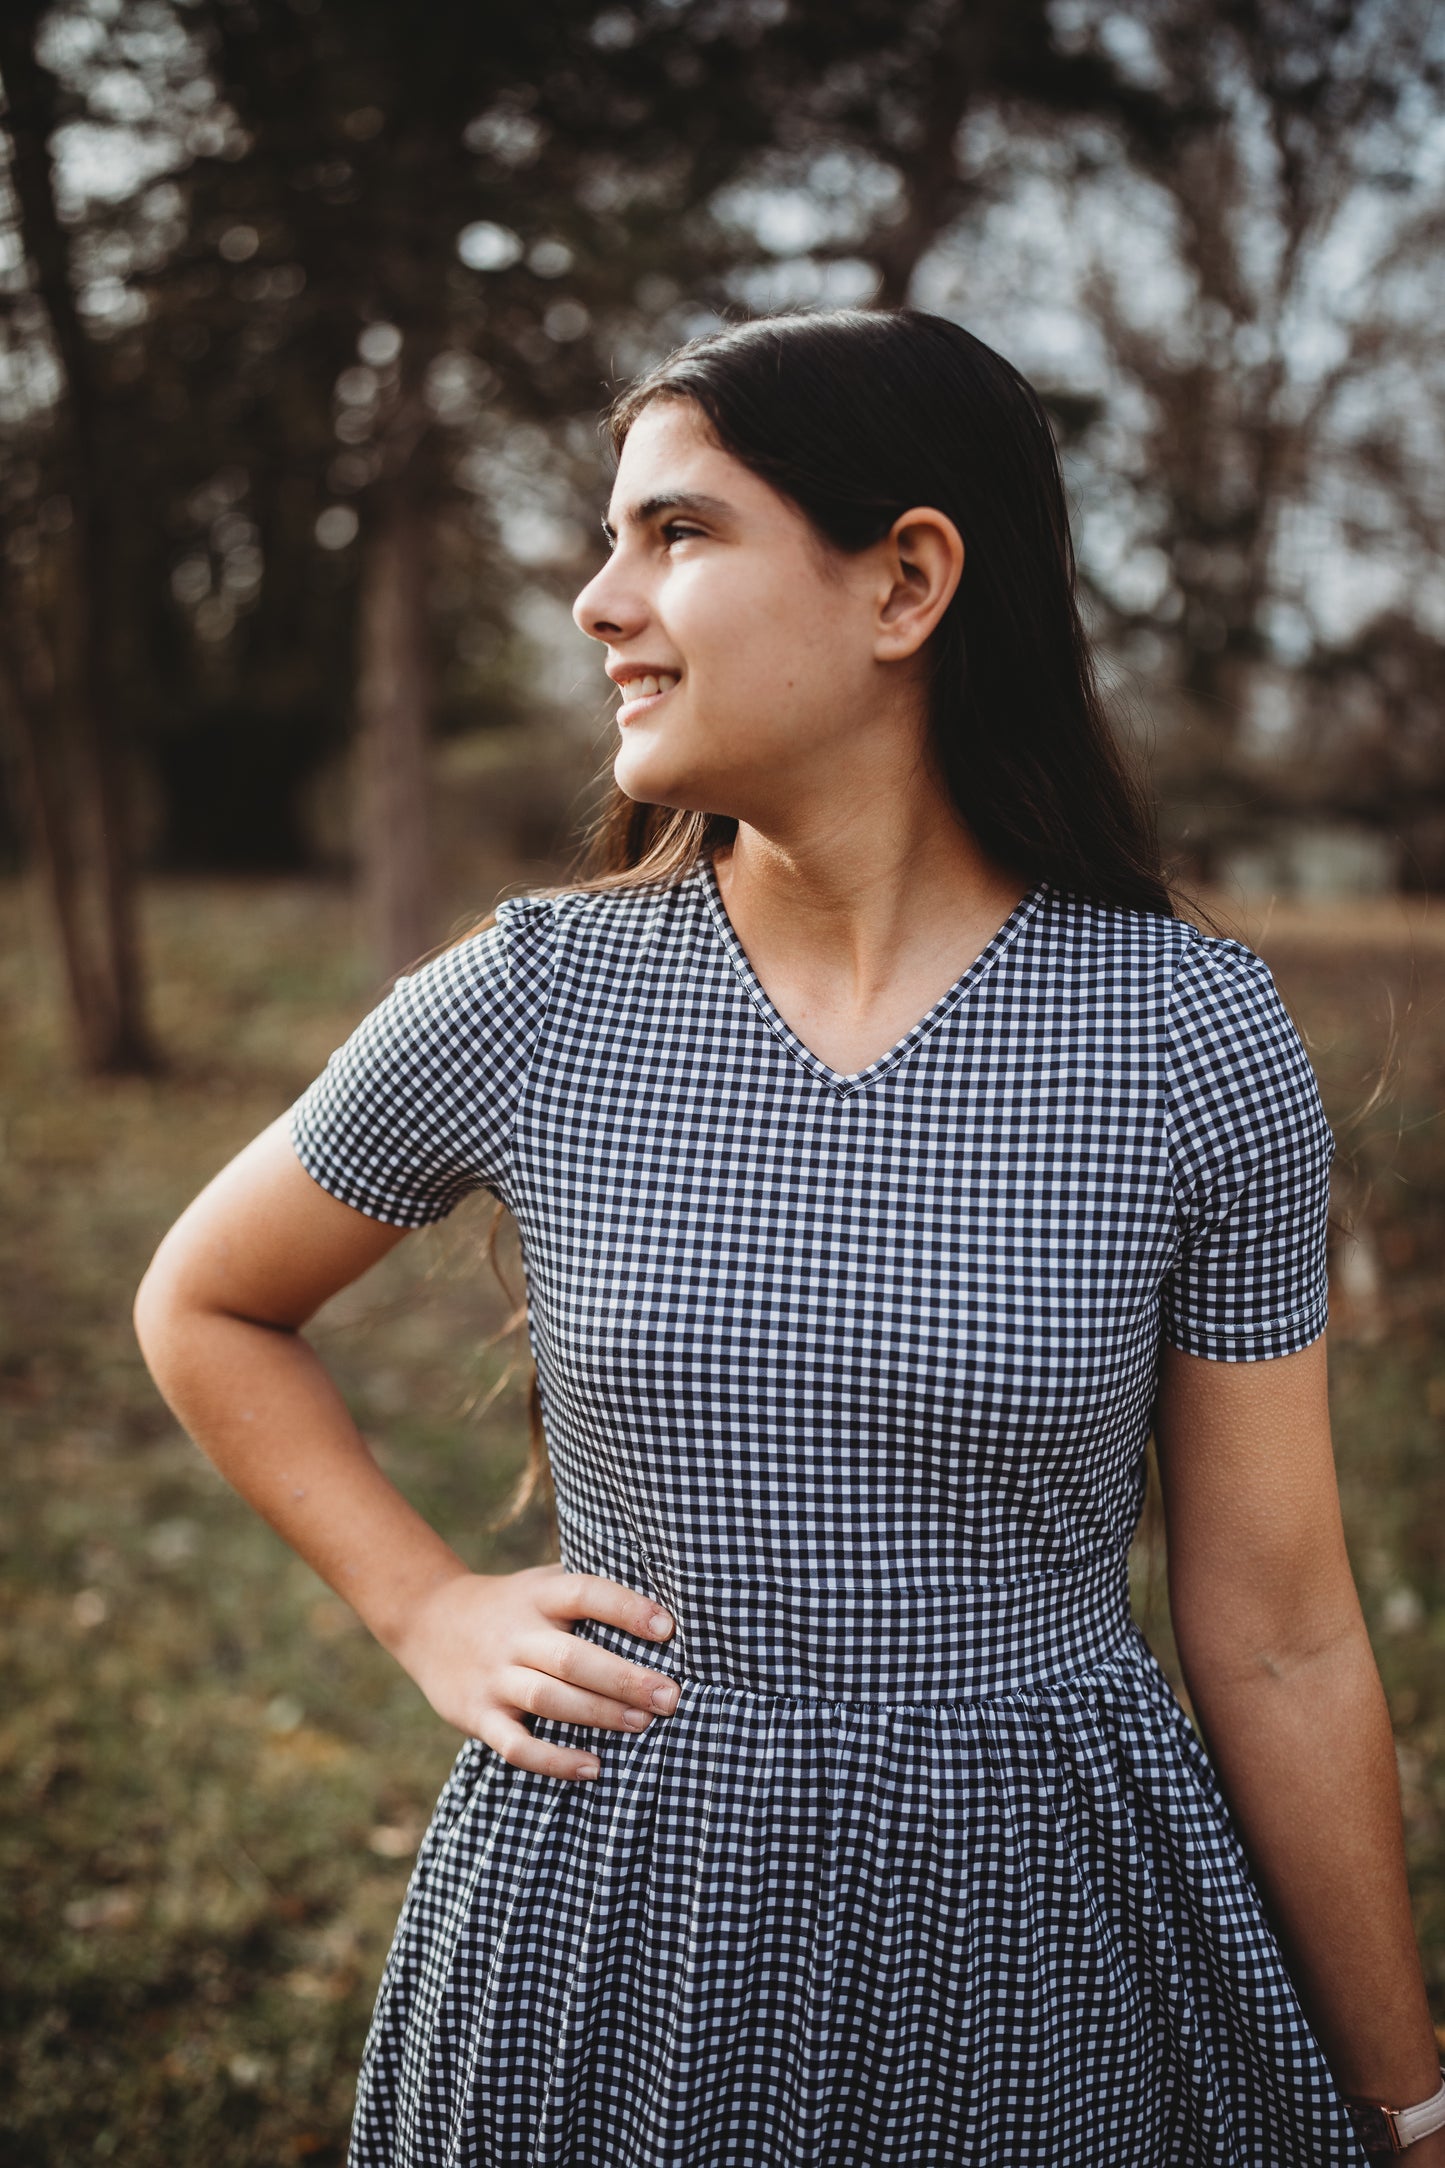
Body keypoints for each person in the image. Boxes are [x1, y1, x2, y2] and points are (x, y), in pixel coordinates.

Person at [133, 305, 1443, 2167]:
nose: (599, 600)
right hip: (618, 1938)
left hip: (1048, 1945)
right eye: (609, 537)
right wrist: (423, 1602)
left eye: (675, 533)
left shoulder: (1182, 1039)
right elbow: (205, 1300)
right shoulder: (536, 997)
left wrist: (1407, 2101)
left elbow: (1288, 1635)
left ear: (906, 583)